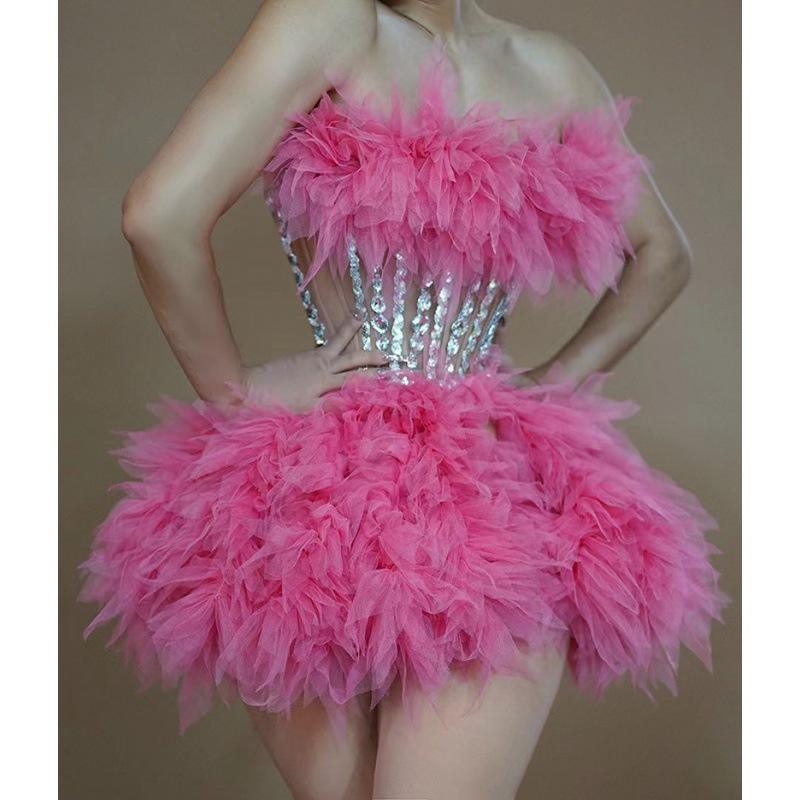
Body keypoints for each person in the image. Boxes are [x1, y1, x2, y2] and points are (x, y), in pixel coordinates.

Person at [79, 2, 726, 798]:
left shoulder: (336, 28)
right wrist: (235, 389)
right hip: (435, 500)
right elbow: (156, 218)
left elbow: (663, 256)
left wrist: (550, 384)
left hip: (319, 506)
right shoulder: (502, 57)